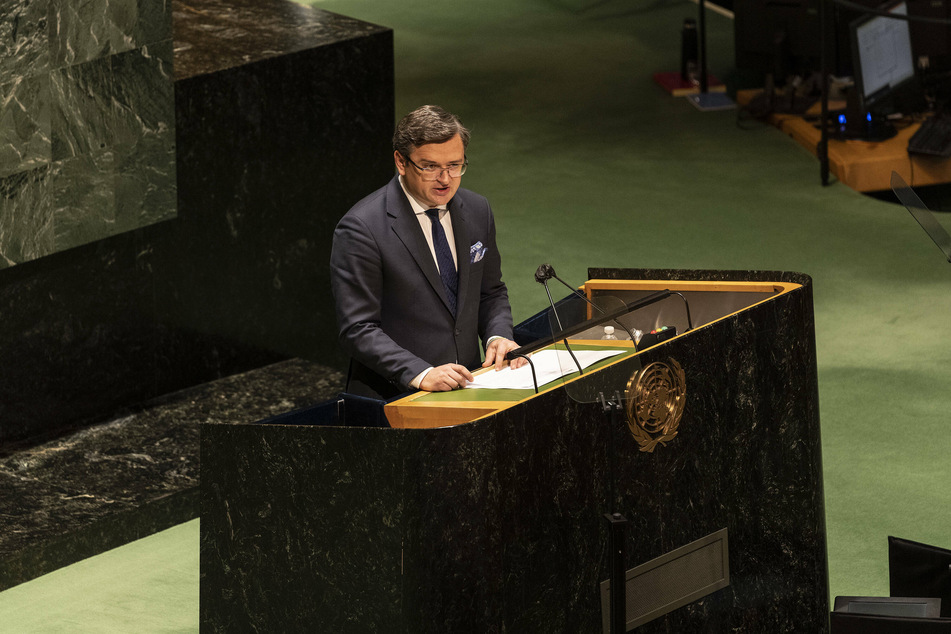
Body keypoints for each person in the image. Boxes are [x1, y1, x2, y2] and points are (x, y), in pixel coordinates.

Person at [330, 105, 523, 399]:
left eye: (455, 165)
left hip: (469, 386)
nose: (445, 179)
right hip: (396, 397)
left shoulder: (477, 210)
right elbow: (358, 328)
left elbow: (490, 292)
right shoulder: (361, 228)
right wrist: (421, 373)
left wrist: (499, 336)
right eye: (430, 166)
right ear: (401, 161)